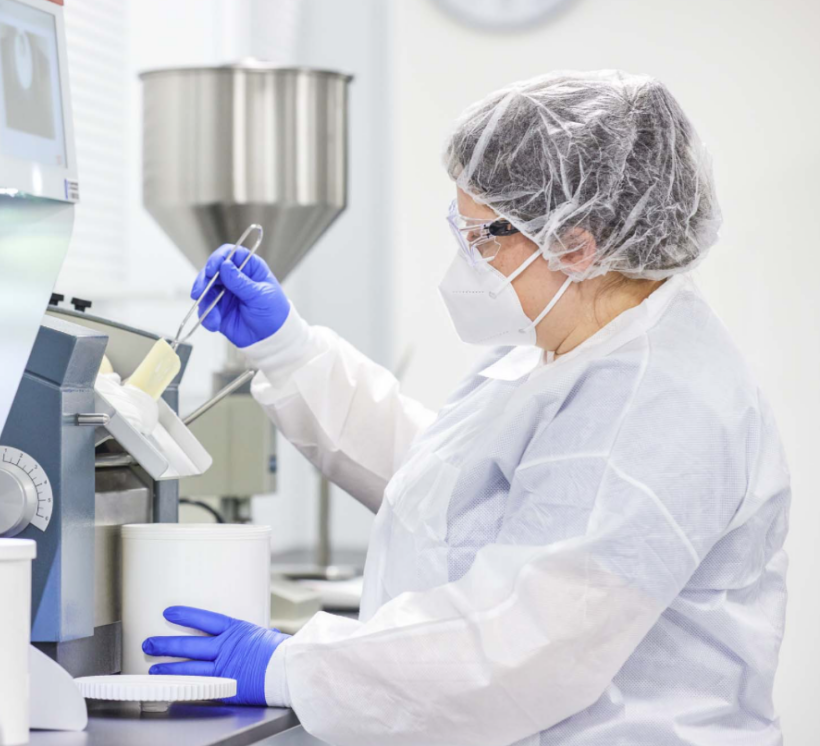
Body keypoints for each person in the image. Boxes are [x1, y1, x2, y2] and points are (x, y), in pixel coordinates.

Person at [142, 70, 790, 746]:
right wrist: (290, 352)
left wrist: (294, 667)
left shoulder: (656, 402)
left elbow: (521, 646)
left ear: (576, 242)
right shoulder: (568, 346)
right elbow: (451, 493)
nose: (467, 256)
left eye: (484, 235)